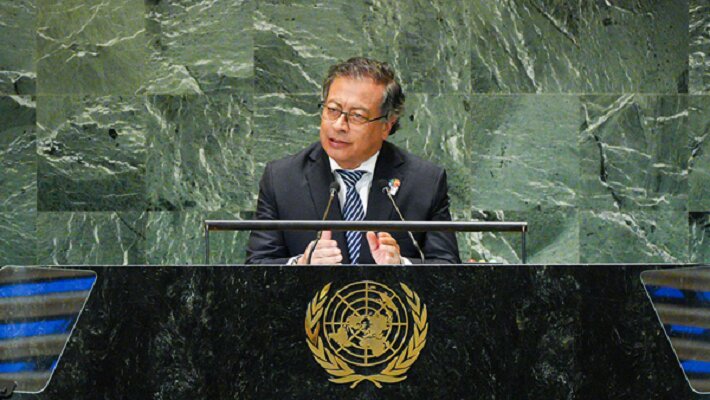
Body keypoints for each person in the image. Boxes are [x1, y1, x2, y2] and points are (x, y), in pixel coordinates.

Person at [246, 57, 460, 265]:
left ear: (386, 126)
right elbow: (257, 266)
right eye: (332, 110)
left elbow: (448, 267)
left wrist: (401, 264)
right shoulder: (282, 179)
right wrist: (300, 264)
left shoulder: (425, 182)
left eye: (357, 116)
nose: (339, 125)